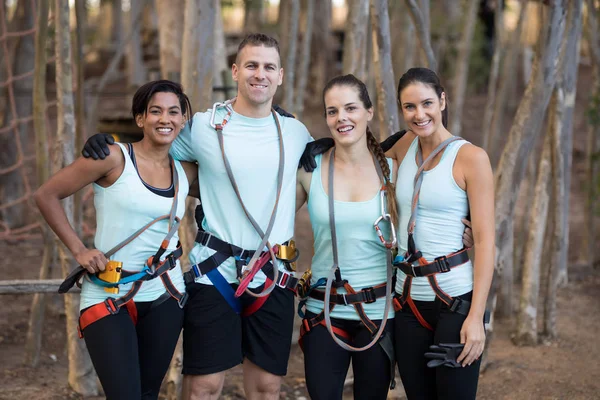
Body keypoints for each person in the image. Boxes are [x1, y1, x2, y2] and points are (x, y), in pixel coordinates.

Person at [82, 33, 312, 400]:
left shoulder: (296, 133)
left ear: (280, 75)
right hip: (214, 271)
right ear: (235, 71)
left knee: (267, 387)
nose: (260, 74)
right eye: (251, 65)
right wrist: (107, 141)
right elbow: (154, 146)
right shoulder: (205, 126)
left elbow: (320, 181)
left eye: (269, 66)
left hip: (274, 273)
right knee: (204, 386)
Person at [35, 80, 199, 400]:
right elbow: (47, 195)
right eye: (155, 111)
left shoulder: (186, 172)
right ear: (140, 119)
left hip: (166, 294)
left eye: (173, 112)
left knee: (147, 393)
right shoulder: (113, 157)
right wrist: (79, 249)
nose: (164, 119)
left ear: (183, 120)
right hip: (108, 292)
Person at [388, 67, 494, 399]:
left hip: (455, 302)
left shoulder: (470, 158)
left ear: (443, 100)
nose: (419, 114)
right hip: (407, 303)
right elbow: (358, 153)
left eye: (427, 103)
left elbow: (487, 240)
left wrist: (477, 317)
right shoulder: (404, 147)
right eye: (409, 107)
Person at [295, 74, 397, 399]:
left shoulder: (394, 171)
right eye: (332, 111)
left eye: (351, 108)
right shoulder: (309, 170)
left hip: (381, 315)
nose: (342, 118)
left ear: (369, 111)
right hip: (323, 311)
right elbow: (269, 216)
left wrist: (466, 229)